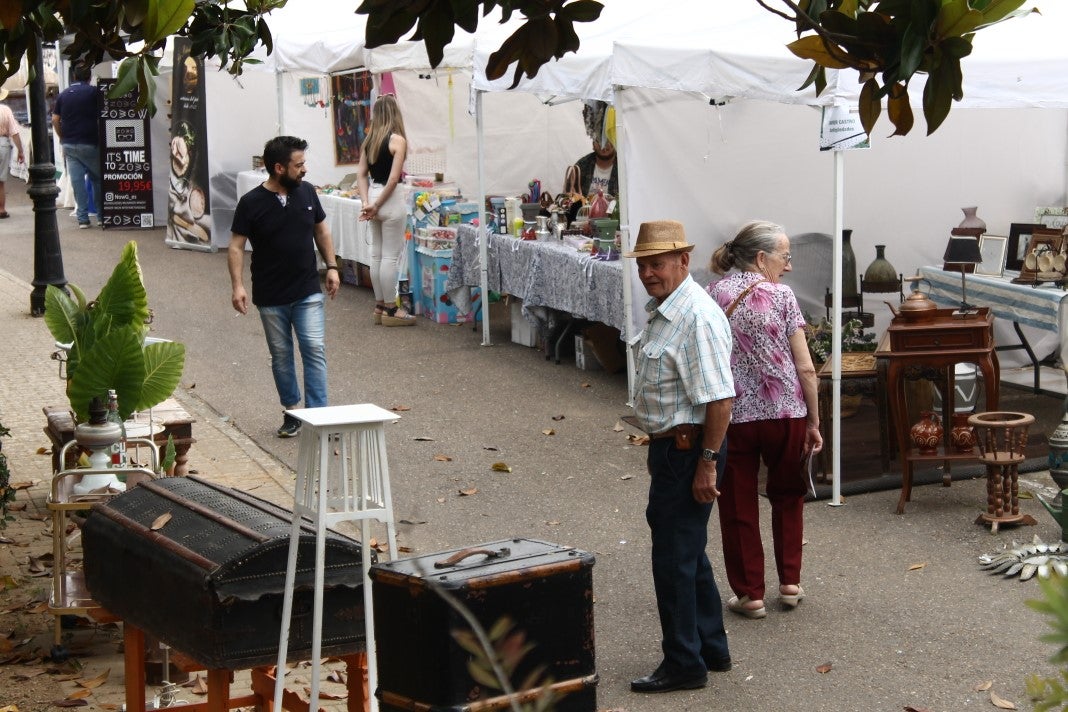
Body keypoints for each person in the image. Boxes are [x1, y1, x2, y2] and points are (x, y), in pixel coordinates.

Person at [625, 220, 735, 694]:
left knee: (673, 560)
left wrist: (707, 463)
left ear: (683, 261)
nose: (648, 272)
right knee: (687, 553)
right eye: (643, 264)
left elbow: (721, 400)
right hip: (677, 449)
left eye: (658, 263)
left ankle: (684, 664)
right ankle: (711, 648)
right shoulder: (669, 308)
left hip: (690, 451)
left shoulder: (696, 317)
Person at [706, 220, 822, 620]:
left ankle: (750, 593)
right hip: (786, 413)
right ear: (760, 257)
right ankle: (789, 582)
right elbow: (806, 369)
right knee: (788, 495)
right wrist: (814, 421)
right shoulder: (783, 296)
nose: (788, 266)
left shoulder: (714, 294)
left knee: (737, 502)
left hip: (733, 415)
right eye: (785, 256)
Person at [229, 136, 340, 438]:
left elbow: (321, 228)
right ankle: (293, 411)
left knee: (314, 349)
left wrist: (331, 266)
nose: (304, 169)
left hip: (307, 289)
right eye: (299, 164)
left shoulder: (307, 192)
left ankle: (319, 416)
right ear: (279, 168)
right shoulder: (251, 203)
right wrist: (237, 286)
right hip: (270, 294)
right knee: (281, 355)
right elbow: (237, 246)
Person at [356, 93, 413, 326]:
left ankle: (379, 305)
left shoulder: (368, 140)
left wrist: (366, 202)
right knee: (390, 256)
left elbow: (360, 174)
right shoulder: (398, 140)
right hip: (390, 199)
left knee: (376, 254)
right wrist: (376, 205)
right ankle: (391, 308)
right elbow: (393, 179)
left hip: (373, 194)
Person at [52, 62, 102, 229]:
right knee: (97, 180)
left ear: (74, 76)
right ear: (89, 77)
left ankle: (82, 218)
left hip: (70, 145)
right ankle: (102, 215)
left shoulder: (63, 95)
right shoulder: (94, 93)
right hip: (91, 142)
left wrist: (62, 136)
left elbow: (55, 119)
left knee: (77, 181)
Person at [0, 88, 26, 218]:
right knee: (1, 181)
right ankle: (1, 209)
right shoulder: (5, 110)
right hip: (2, 144)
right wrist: (20, 150)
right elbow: (14, 132)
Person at [573, 137, 618, 201]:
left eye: (608, 141)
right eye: (599, 141)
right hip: (586, 210)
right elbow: (568, 194)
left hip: (614, 211)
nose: (603, 145)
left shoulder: (623, 167)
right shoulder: (582, 164)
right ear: (593, 144)